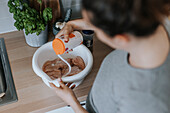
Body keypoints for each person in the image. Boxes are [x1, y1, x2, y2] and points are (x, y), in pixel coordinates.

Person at [49, 0, 170, 113]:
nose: (91, 26)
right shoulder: (156, 18)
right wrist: (72, 25)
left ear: (120, 39)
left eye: (96, 28)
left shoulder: (147, 102)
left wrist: (72, 102)